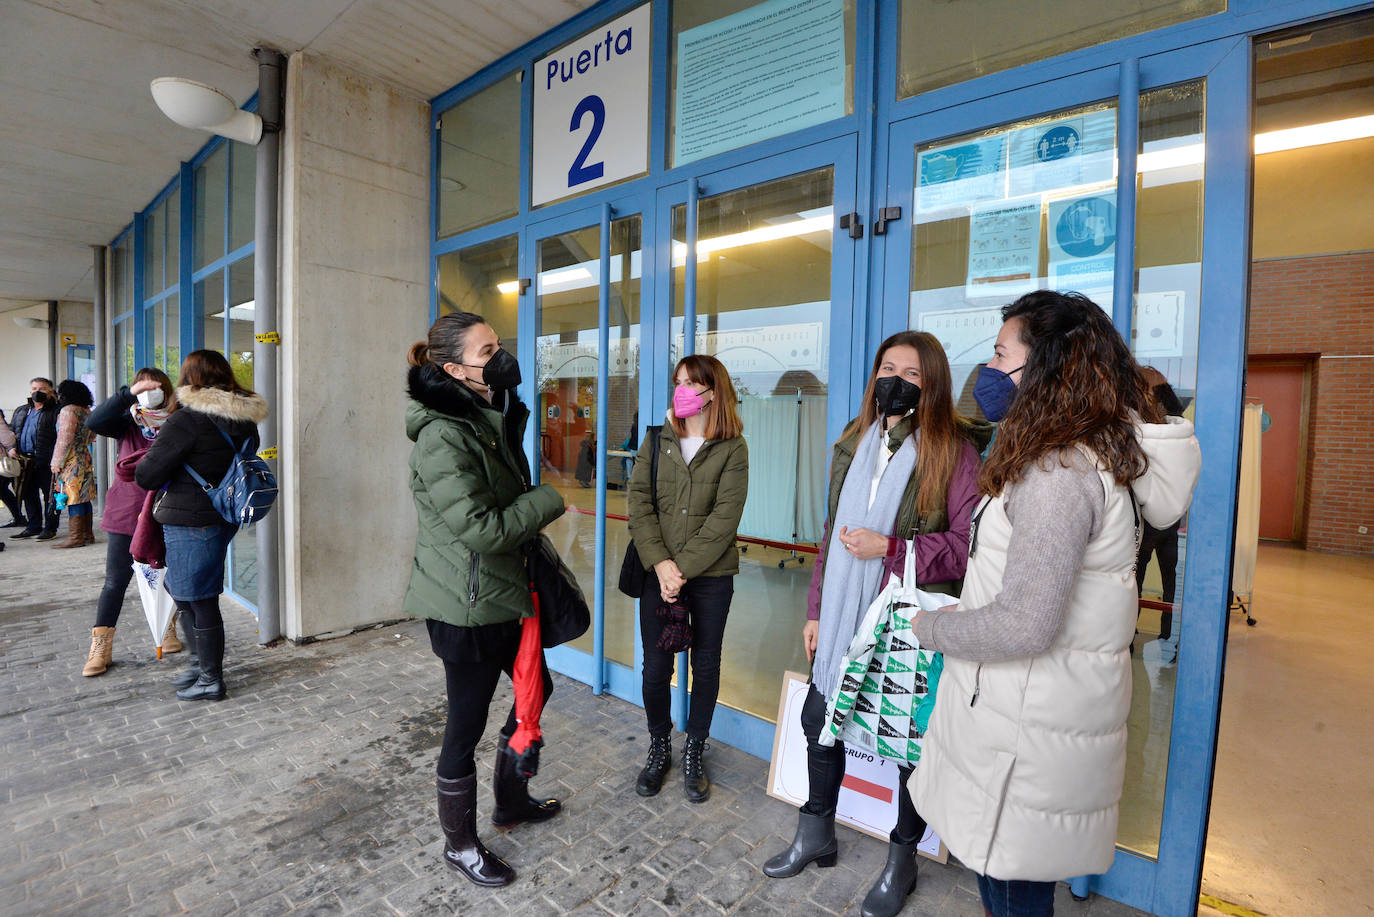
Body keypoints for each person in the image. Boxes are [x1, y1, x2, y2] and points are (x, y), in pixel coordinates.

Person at [911, 291, 1201, 917]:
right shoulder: (1068, 456)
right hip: (1036, 719)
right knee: (1011, 883)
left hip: (1027, 733)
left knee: (1013, 890)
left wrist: (931, 627)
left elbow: (1024, 625)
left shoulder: (1057, 473)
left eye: (999, 354)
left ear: (1043, 369)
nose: (988, 372)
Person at [763, 331, 986, 917]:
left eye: (912, 374)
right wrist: (815, 609)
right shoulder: (853, 443)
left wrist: (890, 545)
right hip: (840, 614)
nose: (897, 380)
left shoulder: (953, 452)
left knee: (907, 741)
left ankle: (902, 859)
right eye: (888, 368)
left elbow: (967, 546)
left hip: (906, 620)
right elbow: (830, 539)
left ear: (931, 383)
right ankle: (816, 832)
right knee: (821, 717)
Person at [404, 312, 566, 888]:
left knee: (535, 690)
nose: (501, 357)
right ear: (453, 369)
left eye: (500, 345)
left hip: (504, 591)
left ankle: (511, 801)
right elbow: (483, 529)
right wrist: (548, 499)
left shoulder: (484, 418)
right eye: (487, 350)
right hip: (466, 602)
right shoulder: (442, 436)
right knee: (464, 726)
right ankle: (461, 845)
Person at [626, 354, 748, 804]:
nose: (682, 390)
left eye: (691, 383)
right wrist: (660, 564)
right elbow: (638, 501)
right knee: (656, 668)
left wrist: (681, 570)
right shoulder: (657, 440)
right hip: (656, 573)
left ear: (712, 392)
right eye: (677, 381)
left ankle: (695, 748)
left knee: (706, 665)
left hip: (711, 576)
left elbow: (725, 518)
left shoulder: (733, 448)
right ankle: (659, 747)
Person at [135, 350, 269, 702]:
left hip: (191, 519)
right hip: (223, 514)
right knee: (189, 594)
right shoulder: (244, 420)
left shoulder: (187, 420)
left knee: (198, 598)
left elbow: (147, 475)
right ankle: (199, 667)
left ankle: (210, 678)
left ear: (189, 378)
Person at [80, 369, 179, 676]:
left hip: (169, 508)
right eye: (144, 389)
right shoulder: (127, 422)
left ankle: (167, 628)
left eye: (157, 388)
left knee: (170, 574)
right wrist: (127, 394)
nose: (151, 394)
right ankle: (100, 647)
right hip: (127, 511)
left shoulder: (179, 419)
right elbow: (93, 423)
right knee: (115, 580)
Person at [1136, 366, 1186, 644]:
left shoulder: (1148, 429)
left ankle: (1130, 634)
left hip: (1149, 519)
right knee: (1169, 578)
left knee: (1137, 579)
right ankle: (1168, 634)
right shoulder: (1173, 429)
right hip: (1169, 517)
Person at [10, 378, 60, 541]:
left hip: (47, 461)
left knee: (50, 495)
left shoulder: (57, 411)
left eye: (42, 388)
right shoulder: (22, 410)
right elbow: (13, 431)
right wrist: (11, 448)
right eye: (34, 388)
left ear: (51, 391)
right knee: (28, 494)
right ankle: (33, 526)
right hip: (25, 461)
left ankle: (50, 528)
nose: (37, 391)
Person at [50, 380, 97, 549]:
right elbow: (92, 436)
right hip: (85, 456)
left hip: (71, 460)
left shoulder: (68, 411)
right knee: (84, 495)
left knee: (73, 496)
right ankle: (87, 534)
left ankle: (76, 537)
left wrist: (56, 462)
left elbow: (64, 438)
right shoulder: (87, 411)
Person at [0, 407, 22, 526]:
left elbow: (8, 439)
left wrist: (10, 449)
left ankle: (18, 517)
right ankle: (18, 517)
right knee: (3, 491)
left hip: (1, 463)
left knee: (3, 491)